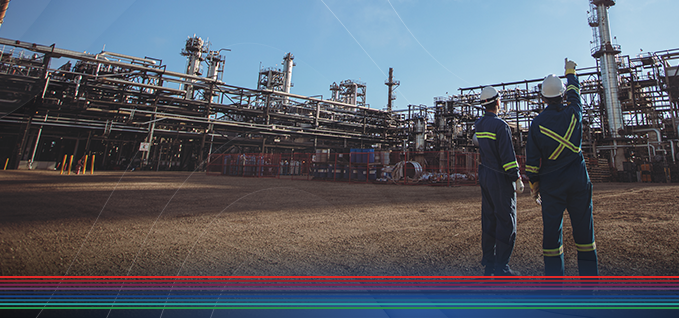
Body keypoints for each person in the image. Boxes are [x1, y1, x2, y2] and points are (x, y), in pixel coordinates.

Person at [525, 59, 599, 276]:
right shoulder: (574, 113)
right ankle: (589, 285)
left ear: (543, 98)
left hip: (551, 183)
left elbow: (531, 160)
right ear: (563, 95)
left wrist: (534, 183)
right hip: (578, 180)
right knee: (585, 233)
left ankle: (554, 287)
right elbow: (576, 94)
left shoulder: (537, 123)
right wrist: (570, 72)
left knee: (551, 234)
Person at [474, 86, 524, 276]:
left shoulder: (479, 125)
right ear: (497, 102)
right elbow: (507, 156)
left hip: (485, 175)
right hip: (500, 177)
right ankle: (502, 267)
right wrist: (516, 177)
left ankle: (489, 263)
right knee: (506, 221)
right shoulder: (501, 126)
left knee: (489, 219)